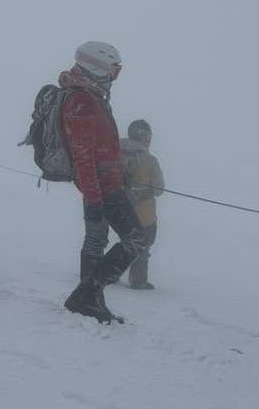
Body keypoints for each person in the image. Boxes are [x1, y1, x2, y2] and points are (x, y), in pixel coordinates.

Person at [60, 41, 142, 324]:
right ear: (97, 66)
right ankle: (87, 295)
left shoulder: (91, 95)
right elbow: (83, 155)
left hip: (103, 182)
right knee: (136, 239)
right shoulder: (82, 100)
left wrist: (119, 170)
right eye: (113, 70)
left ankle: (91, 301)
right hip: (101, 187)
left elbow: (99, 148)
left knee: (96, 240)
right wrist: (95, 198)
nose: (114, 77)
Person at [120, 119, 164, 290]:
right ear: (146, 138)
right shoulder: (150, 160)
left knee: (125, 243)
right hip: (144, 216)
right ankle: (138, 280)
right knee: (143, 245)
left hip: (119, 211)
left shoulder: (116, 153)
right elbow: (159, 189)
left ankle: (110, 272)